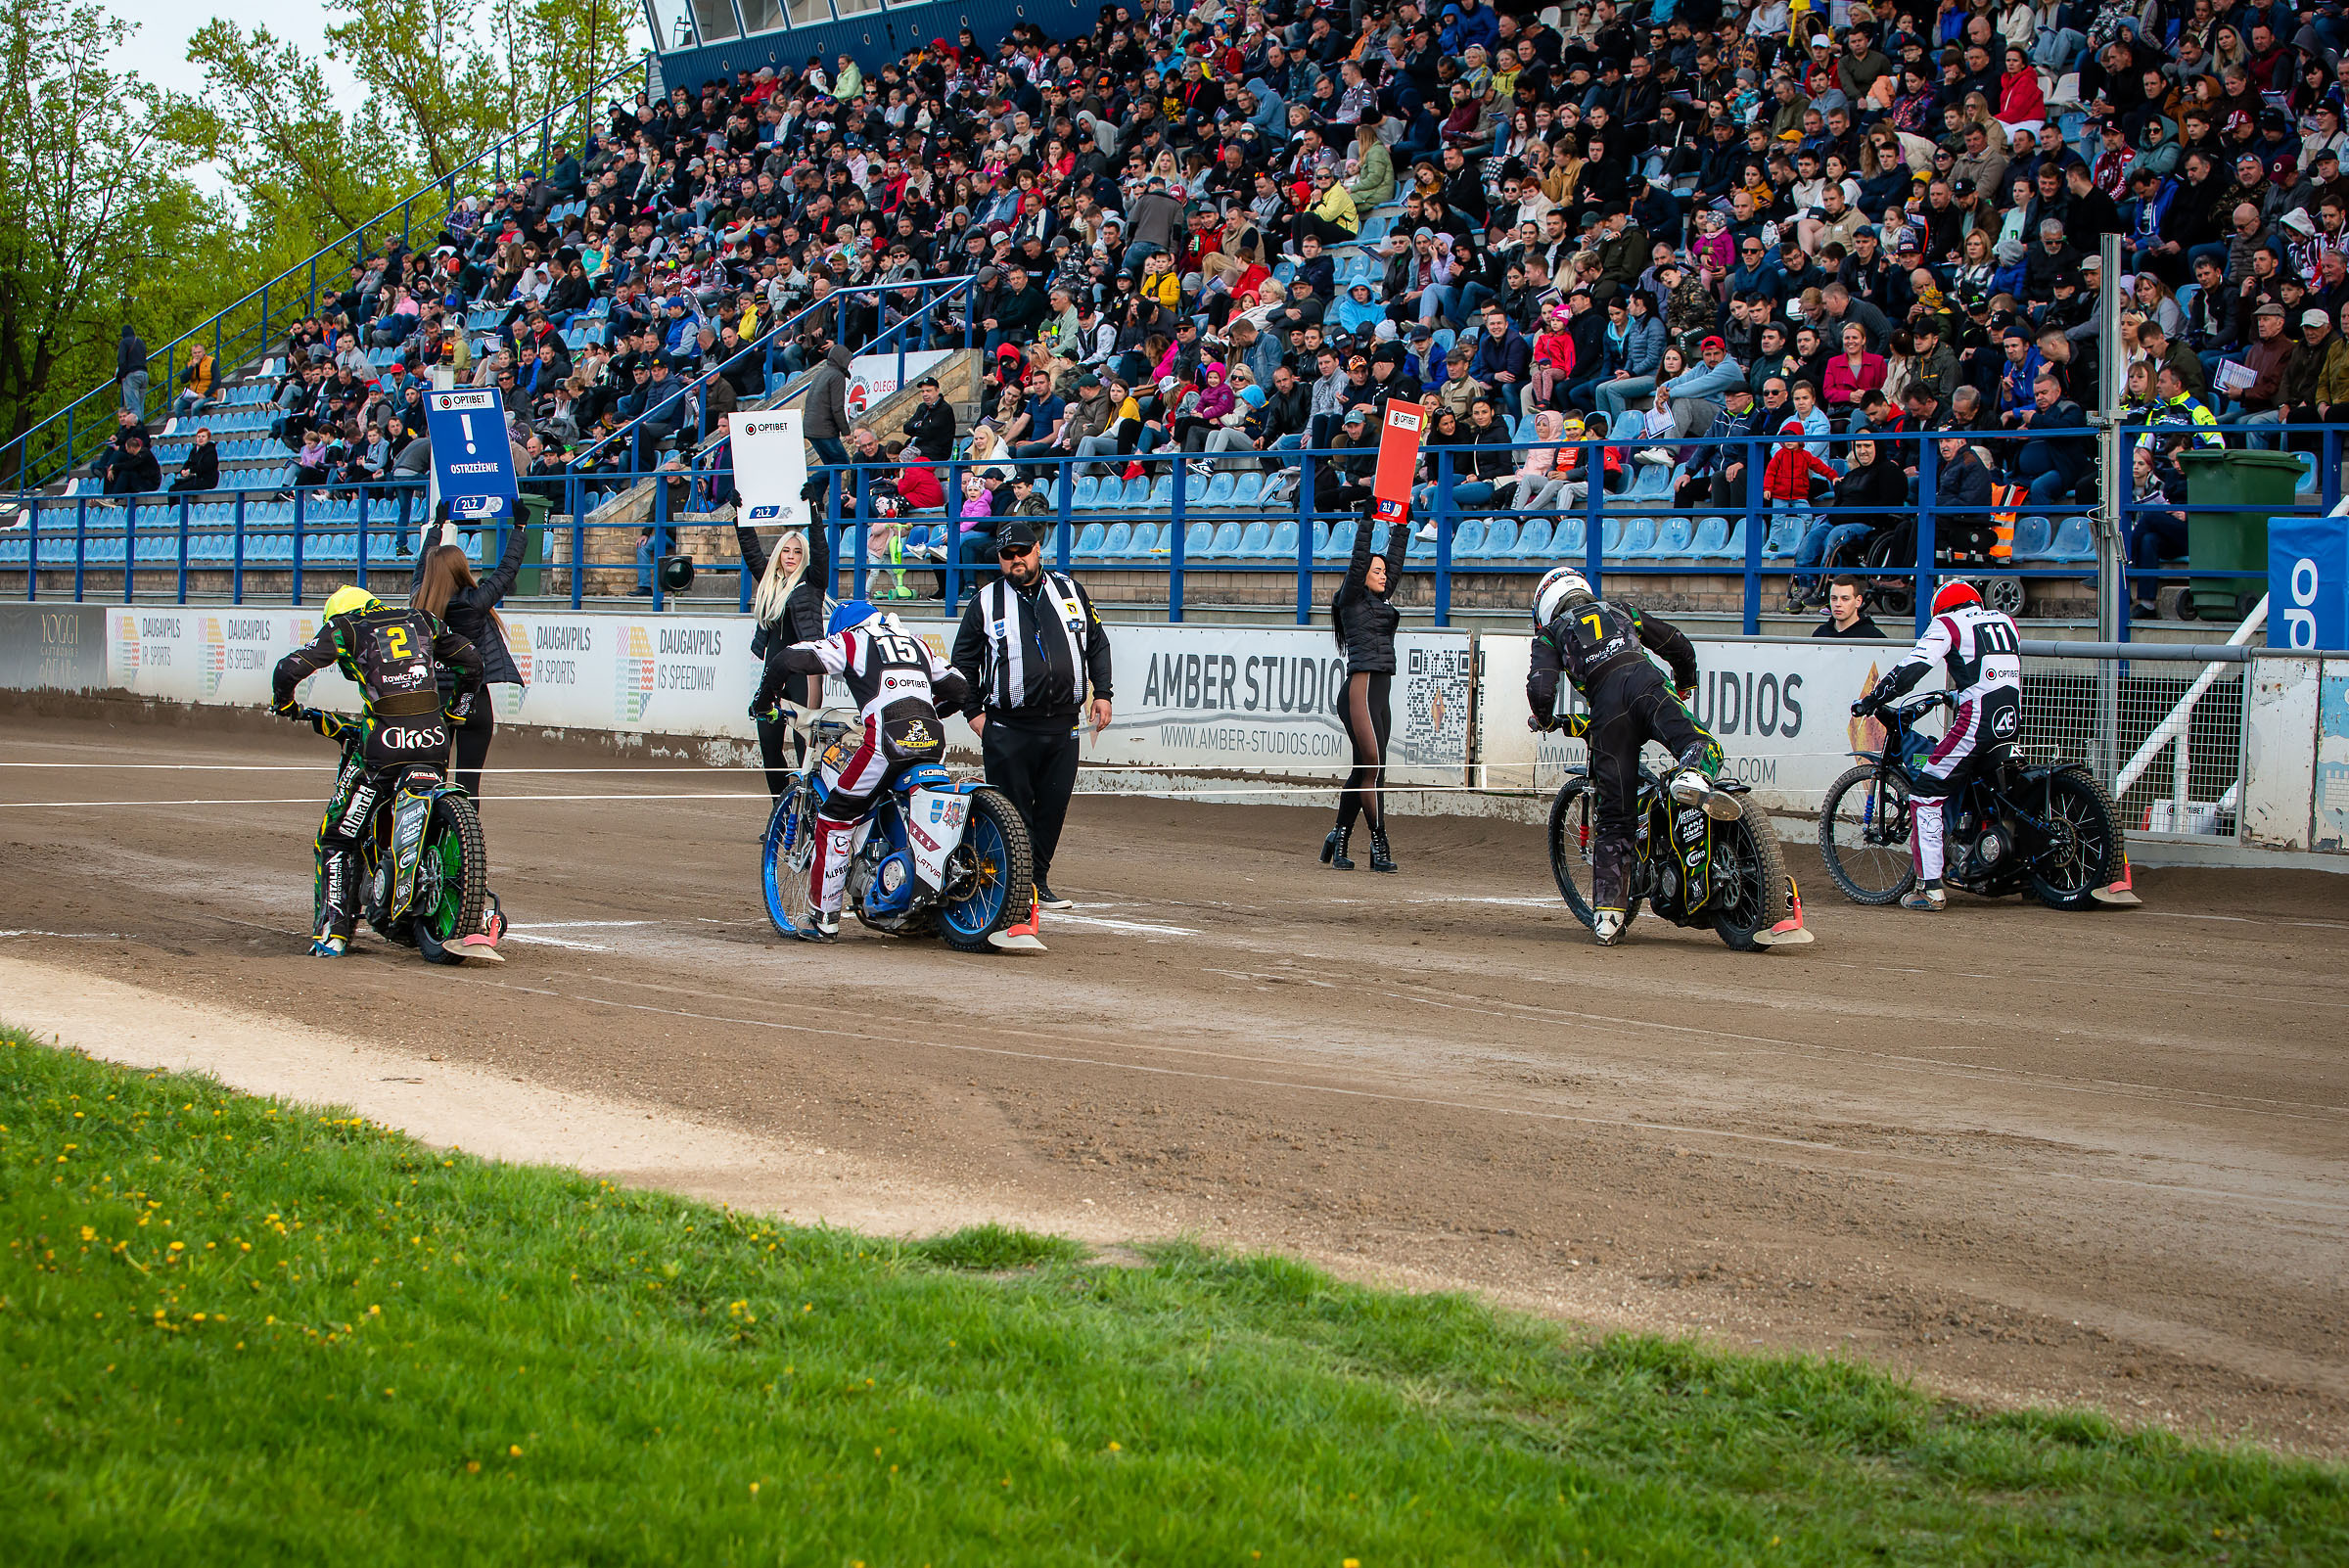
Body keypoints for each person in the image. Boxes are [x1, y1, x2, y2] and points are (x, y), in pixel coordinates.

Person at [1525, 566, 1736, 946]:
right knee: (1702, 744)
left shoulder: (1552, 633)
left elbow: (1541, 688)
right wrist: (1685, 681)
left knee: (1615, 812)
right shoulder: (1621, 610)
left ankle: (1608, 914)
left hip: (1609, 714)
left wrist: (1542, 718)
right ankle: (1692, 776)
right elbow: (1678, 644)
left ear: (1544, 607)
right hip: (1647, 684)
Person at [270, 584, 484, 957]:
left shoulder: (345, 628)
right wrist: (457, 712)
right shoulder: (422, 620)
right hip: (434, 742)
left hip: (381, 750)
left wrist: (284, 703)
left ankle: (333, 932)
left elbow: (288, 668)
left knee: (336, 837)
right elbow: (472, 662)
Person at [753, 601, 971, 944]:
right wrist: (925, 714)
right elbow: (961, 688)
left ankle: (823, 917)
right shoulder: (917, 643)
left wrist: (765, 701)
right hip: (931, 738)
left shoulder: (852, 640)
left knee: (836, 814)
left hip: (885, 741)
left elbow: (787, 658)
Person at [949, 521, 1113, 927]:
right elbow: (963, 662)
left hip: (1063, 726)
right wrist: (974, 714)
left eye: (1022, 551)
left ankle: (1037, 880)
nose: (1015, 560)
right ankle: (1013, 886)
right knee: (1012, 811)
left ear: (1038, 549)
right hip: (1007, 727)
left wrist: (1104, 693)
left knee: (1052, 808)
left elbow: (1097, 643)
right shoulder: (985, 602)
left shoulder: (1071, 590)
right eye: (1007, 555)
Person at [1854, 579, 2023, 911]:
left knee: (1925, 794)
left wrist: (1874, 697)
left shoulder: (1947, 624)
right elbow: (1992, 675)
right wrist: (1956, 695)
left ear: (1940, 609)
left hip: (1976, 724)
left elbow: (1911, 670)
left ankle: (1930, 889)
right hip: (2010, 721)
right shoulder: (2005, 620)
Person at [410, 505, 529, 799]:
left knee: (428, 782)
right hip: (473, 701)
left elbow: (421, 568)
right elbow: (507, 569)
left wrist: (438, 525)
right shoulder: (475, 602)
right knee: (468, 788)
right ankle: (465, 842)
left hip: (431, 703)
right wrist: (520, 528)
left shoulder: (417, 601)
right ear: (460, 570)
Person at [1323, 509, 1412, 875]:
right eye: (1376, 572)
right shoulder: (1351, 599)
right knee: (1372, 768)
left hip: (1380, 691)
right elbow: (1361, 560)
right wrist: (1368, 522)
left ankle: (1338, 836)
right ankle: (1379, 844)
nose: (1383, 574)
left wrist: (1402, 525)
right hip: (1359, 689)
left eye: (1383, 572)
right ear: (1362, 577)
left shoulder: (1381, 599)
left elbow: (1395, 560)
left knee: (1369, 769)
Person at [739, 509, 831, 795]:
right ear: (779, 554)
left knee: (805, 745)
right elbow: (751, 551)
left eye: (797, 551)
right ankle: (780, 809)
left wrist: (815, 517)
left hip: (804, 676)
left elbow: (821, 550)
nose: (790, 556)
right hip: (775, 677)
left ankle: (811, 814)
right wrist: (741, 516)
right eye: (786, 551)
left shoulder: (813, 581)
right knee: (768, 741)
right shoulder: (770, 581)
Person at [1814, 576, 1887, 638]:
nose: (1838, 604)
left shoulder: (1874, 637)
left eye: (1845, 599)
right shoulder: (1820, 634)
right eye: (1834, 598)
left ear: (1858, 601)